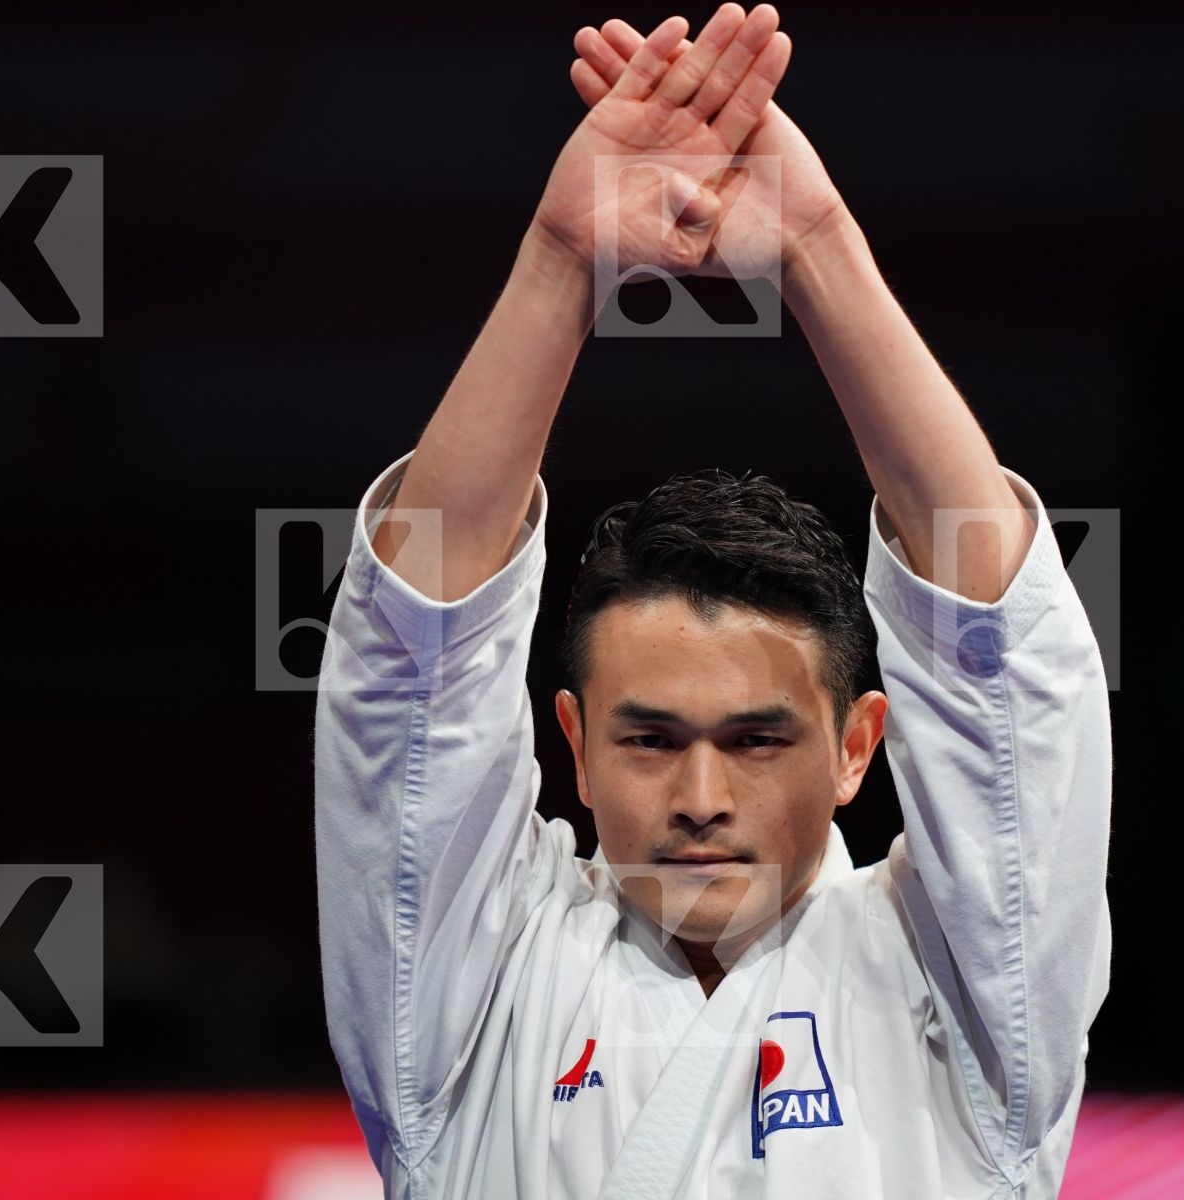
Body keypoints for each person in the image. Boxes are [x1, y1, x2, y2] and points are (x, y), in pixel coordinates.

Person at [313, 6, 1113, 1196]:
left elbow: (1001, 662)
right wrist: (559, 261)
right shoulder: (471, 1001)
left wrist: (822, 251)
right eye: (649, 739)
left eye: (755, 741)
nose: (700, 800)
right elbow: (412, 663)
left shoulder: (965, 995)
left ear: (855, 747)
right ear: (576, 746)